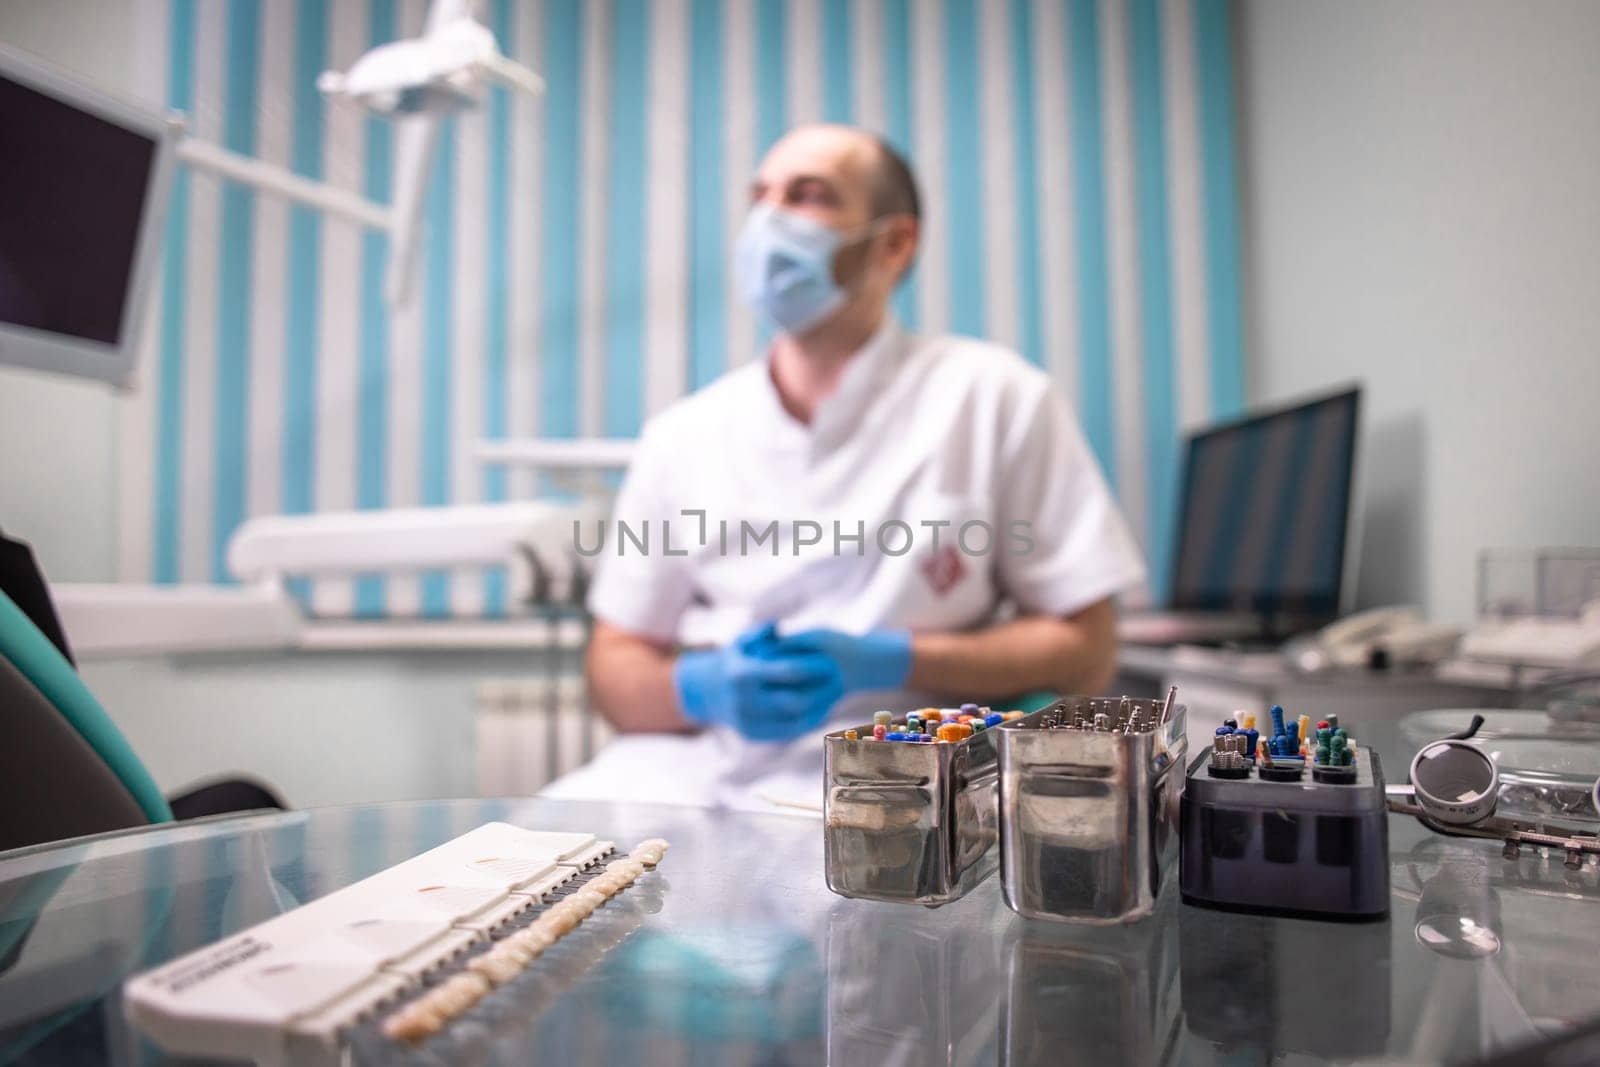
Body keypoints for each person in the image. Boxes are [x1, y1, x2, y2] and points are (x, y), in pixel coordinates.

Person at [543, 124, 1145, 811]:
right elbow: (613, 665)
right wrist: (701, 686)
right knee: (529, 864)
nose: (768, 221)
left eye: (809, 196)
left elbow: (1088, 645)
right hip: (701, 774)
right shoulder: (683, 434)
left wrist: (900, 659)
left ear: (894, 243)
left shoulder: (995, 399)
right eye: (760, 196)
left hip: (916, 783)